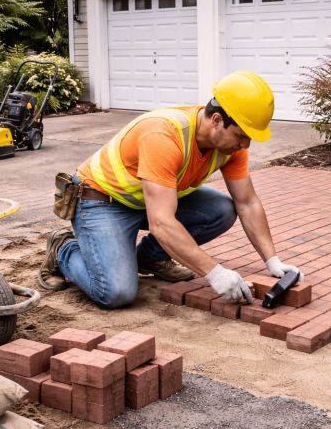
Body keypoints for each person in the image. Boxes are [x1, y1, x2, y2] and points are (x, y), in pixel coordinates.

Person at [38, 70, 304, 308]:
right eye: (242, 135)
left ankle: (149, 258)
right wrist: (215, 273)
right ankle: (63, 249)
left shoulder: (230, 147)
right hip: (101, 201)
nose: (245, 145)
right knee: (116, 292)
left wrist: (273, 261)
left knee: (222, 210)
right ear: (216, 120)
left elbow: (247, 203)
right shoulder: (164, 135)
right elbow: (162, 223)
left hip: (149, 200)